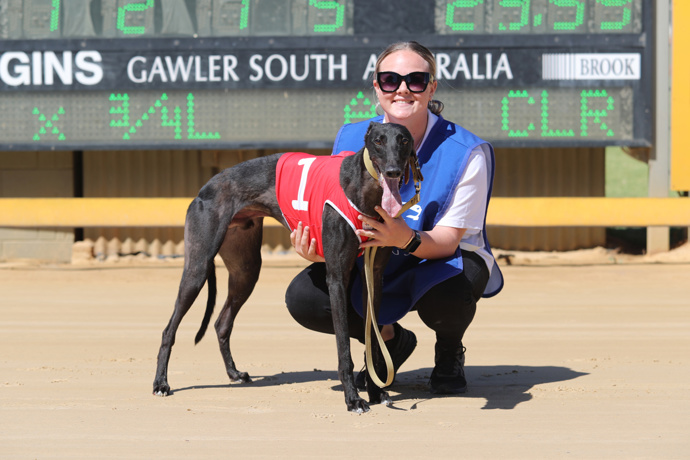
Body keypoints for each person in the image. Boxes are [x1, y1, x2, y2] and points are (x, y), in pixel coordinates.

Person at [284, 41, 504, 394]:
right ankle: (389, 338)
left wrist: (404, 238)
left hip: (437, 258)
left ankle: (448, 350)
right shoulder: (351, 137)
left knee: (454, 290)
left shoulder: (466, 151)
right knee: (305, 297)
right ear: (377, 86)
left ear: (431, 87)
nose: (402, 89)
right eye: (390, 79)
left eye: (416, 80)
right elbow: (339, 219)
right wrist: (319, 249)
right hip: (373, 257)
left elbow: (448, 240)